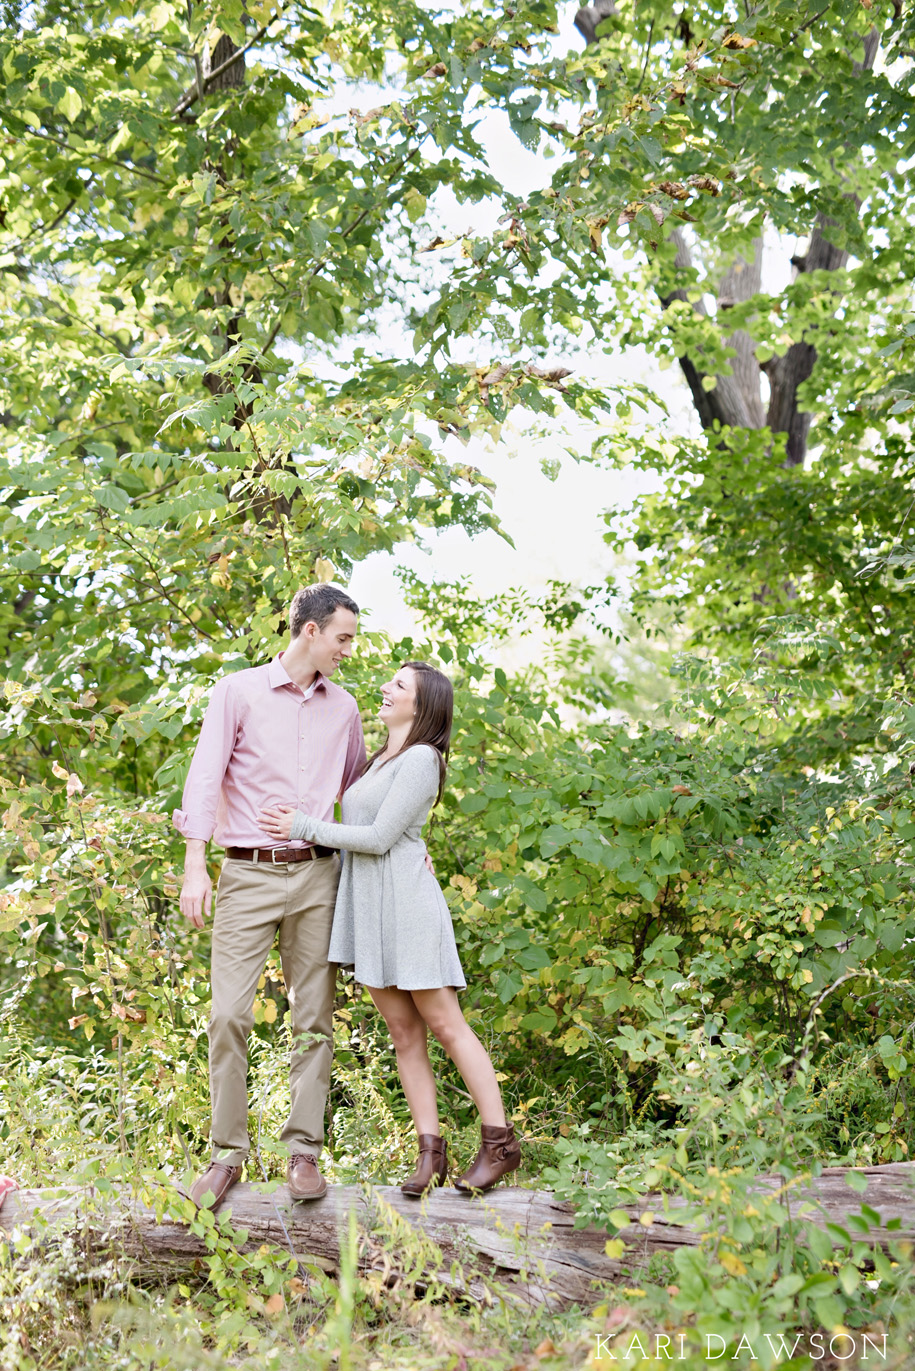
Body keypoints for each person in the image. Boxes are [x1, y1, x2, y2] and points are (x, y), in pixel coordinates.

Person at [258, 661, 521, 1196]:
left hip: (409, 910)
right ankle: (430, 1155)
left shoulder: (423, 759)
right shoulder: (380, 760)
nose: (385, 688)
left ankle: (500, 1144)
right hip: (370, 913)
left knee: (446, 1025)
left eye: (399, 685)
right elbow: (362, 833)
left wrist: (299, 828)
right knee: (404, 1035)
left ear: (421, 707)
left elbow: (377, 837)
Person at [175, 584, 366, 1208]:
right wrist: (194, 865)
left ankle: (303, 1151)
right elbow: (205, 776)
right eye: (342, 637)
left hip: (317, 876)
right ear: (308, 630)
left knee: (312, 1017)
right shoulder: (236, 691)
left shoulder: (345, 708)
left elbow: (360, 791)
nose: (348, 650)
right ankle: (227, 1153)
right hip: (246, 874)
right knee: (228, 1014)